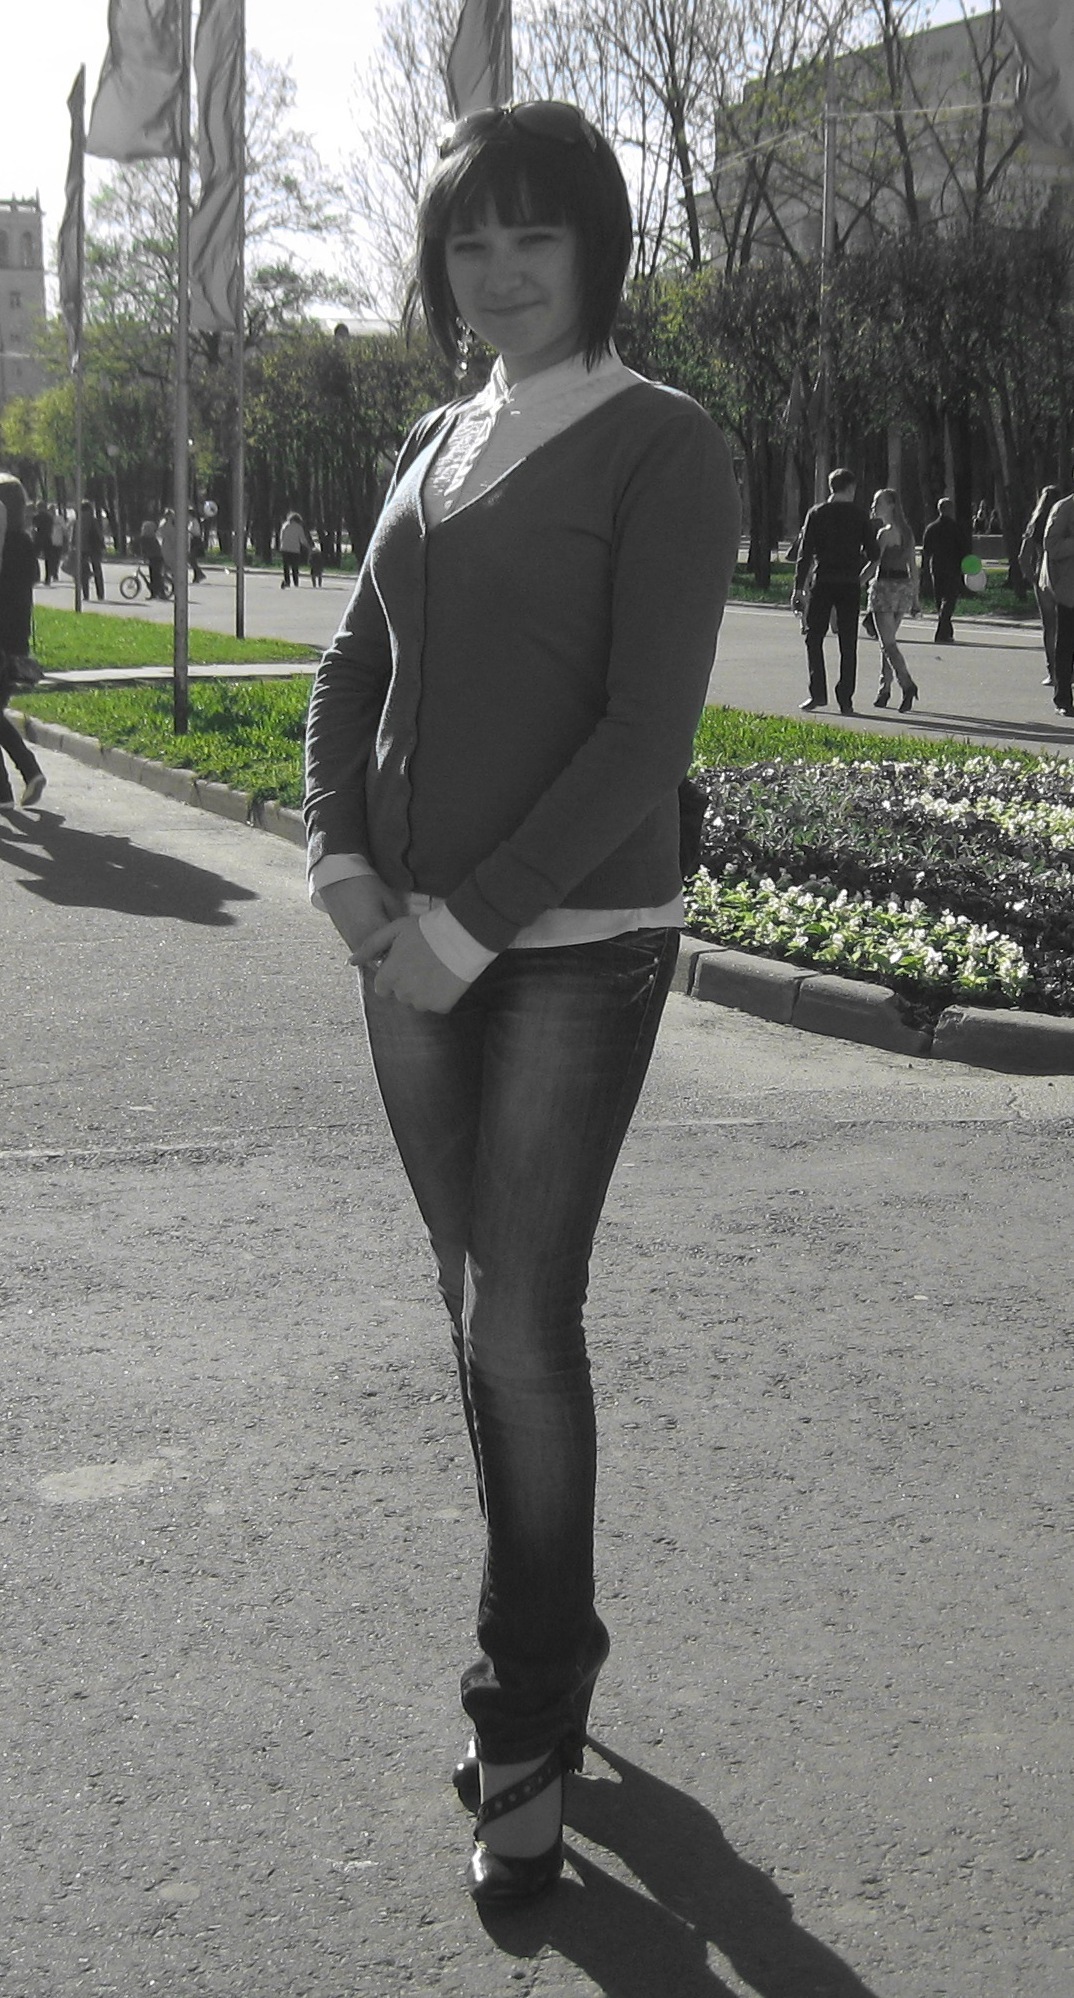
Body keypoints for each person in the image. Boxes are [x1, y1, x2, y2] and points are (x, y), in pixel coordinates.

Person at [303, 98, 740, 1908]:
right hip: (403, 946)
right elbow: (352, 664)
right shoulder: (438, 433)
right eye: (466, 239)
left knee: (520, 1321)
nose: (496, 269)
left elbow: (643, 736)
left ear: (595, 249)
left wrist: (466, 928)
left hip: (565, 945)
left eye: (531, 234)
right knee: (469, 1299)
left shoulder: (662, 443)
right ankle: (553, 1626)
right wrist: (337, 862)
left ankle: (524, 1718)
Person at [791, 467, 879, 714]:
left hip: (824, 581)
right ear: (851, 488)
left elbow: (804, 554)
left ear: (831, 487)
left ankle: (818, 693)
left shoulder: (816, 513)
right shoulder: (859, 515)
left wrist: (798, 588)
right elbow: (874, 554)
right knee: (848, 642)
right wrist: (860, 577)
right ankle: (845, 699)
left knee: (814, 637)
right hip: (849, 583)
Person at [0, 476, 46, 808]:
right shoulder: (24, 543)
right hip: (16, 640)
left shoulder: (4, 545)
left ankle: (29, 770)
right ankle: (3, 792)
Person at [864, 487, 921, 713]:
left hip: (885, 589)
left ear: (891, 506)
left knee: (887, 644)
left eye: (878, 502)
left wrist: (856, 582)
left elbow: (874, 564)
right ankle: (884, 689)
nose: (874, 506)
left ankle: (907, 684)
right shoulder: (908, 533)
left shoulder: (884, 534)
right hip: (903, 589)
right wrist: (915, 599)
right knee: (888, 642)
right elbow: (913, 568)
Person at [1020, 484, 1062, 688]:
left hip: (1043, 576)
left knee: (1049, 626)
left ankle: (1052, 670)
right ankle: (1067, 669)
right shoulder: (1065, 521)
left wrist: (1032, 578)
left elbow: (1023, 557)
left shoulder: (1035, 524)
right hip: (1065, 575)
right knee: (1066, 624)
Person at [1040, 485, 1074, 717]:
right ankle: (1063, 698)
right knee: (1067, 644)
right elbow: (1050, 545)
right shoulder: (1063, 508)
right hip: (1069, 589)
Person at [920, 496, 970, 644]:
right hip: (952, 567)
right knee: (949, 599)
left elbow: (926, 550)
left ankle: (947, 631)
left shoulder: (931, 528)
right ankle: (942, 631)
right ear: (950, 509)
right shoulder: (955, 528)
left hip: (936, 566)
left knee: (939, 599)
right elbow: (963, 548)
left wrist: (924, 569)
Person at [79, 500, 106, 600]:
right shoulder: (93, 520)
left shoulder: (78, 520)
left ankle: (86, 594)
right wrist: (102, 545)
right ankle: (100, 594)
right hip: (94, 548)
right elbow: (99, 534)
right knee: (97, 570)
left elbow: (73, 535)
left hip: (82, 548)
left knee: (83, 572)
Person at [139, 518, 168, 598]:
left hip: (154, 558)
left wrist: (144, 557)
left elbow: (145, 549)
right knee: (155, 576)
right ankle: (157, 593)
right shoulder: (152, 537)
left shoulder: (145, 538)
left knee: (155, 576)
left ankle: (157, 593)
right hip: (157, 557)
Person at [279, 511, 308, 587]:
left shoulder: (285, 525)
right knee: (295, 567)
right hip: (295, 549)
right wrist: (307, 546)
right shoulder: (299, 527)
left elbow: (281, 537)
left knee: (286, 567)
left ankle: (287, 581)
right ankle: (296, 582)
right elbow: (302, 539)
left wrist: (281, 544)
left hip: (285, 548)